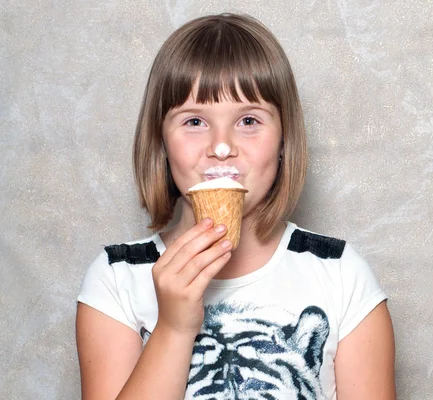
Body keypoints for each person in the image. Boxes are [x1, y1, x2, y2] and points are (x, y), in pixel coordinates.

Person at [76, 13, 396, 400]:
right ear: (161, 142)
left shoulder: (343, 276)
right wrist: (173, 330)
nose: (222, 146)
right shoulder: (115, 280)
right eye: (194, 121)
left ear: (284, 141)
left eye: (248, 120)